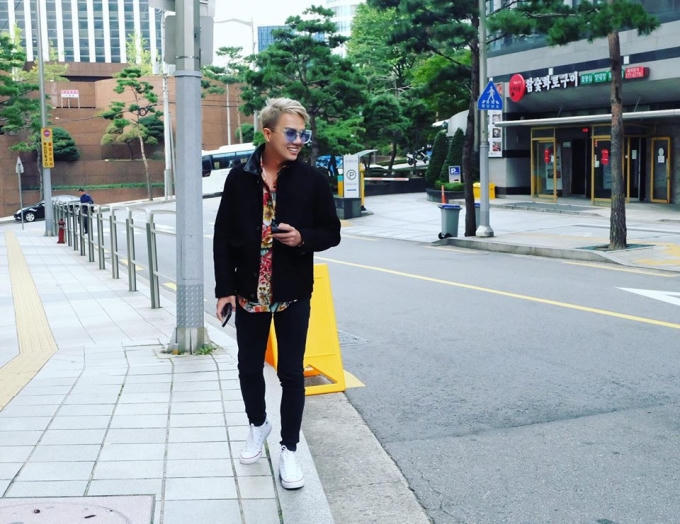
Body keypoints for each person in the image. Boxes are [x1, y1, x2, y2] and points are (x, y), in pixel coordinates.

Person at [213, 98, 341, 490]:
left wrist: (303, 238)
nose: (298, 140)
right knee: (248, 368)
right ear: (267, 133)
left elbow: (331, 232)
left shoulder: (312, 180)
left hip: (293, 295)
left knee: (291, 373)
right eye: (290, 132)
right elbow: (222, 237)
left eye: (303, 133)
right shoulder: (239, 178)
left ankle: (290, 449)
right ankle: (258, 425)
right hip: (249, 294)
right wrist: (224, 290)